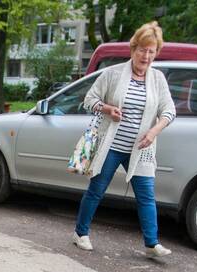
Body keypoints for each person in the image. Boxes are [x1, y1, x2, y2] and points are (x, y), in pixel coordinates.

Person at [73, 21, 176, 257]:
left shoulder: (158, 79)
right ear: (133, 49)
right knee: (96, 190)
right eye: (142, 49)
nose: (146, 56)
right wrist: (107, 108)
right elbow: (89, 99)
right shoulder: (113, 74)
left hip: (141, 148)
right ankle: (81, 233)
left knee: (146, 195)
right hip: (112, 145)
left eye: (151, 51)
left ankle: (151, 244)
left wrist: (153, 132)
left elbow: (169, 111)